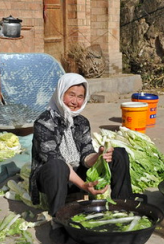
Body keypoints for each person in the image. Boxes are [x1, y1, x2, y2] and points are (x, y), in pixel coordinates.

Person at [30, 73, 133, 218]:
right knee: (58, 165)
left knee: (119, 153)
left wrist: (99, 155)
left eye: (80, 97)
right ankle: (59, 219)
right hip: (52, 179)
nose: (75, 102)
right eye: (71, 95)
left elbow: (86, 155)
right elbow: (54, 160)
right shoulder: (44, 122)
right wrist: (84, 186)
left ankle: (123, 206)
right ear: (60, 93)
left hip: (77, 175)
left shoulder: (81, 122)